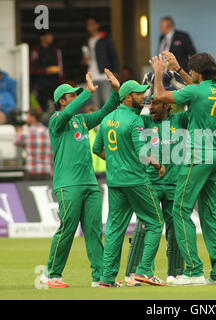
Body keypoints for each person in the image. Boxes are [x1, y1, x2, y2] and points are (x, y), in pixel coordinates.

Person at [150, 52, 216, 286]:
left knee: (180, 210)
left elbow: (160, 95)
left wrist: (159, 73)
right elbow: (197, 89)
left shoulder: (196, 90)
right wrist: (178, 70)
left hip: (197, 156)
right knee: (209, 214)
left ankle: (194, 271)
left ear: (196, 73)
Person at [39, 69, 120, 288]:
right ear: (62, 101)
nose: (76, 97)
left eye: (77, 94)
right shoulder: (57, 120)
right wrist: (87, 93)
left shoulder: (82, 120)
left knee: (94, 231)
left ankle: (101, 276)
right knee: (67, 228)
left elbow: (105, 112)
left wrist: (115, 91)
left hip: (90, 183)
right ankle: (51, 274)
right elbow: (66, 114)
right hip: (68, 184)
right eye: (72, 95)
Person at [93, 80, 167, 287]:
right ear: (126, 96)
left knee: (115, 229)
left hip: (115, 180)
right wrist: (158, 165)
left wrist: (117, 160)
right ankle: (143, 271)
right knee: (154, 223)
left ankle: (107, 278)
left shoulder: (107, 119)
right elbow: (142, 151)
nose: (144, 96)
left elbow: (97, 148)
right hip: (135, 179)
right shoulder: (135, 121)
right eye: (139, 93)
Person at [124, 96, 188, 286]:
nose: (151, 107)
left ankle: (175, 273)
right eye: (150, 103)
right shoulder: (143, 121)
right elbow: (130, 112)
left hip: (174, 184)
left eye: (156, 103)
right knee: (144, 226)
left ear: (168, 106)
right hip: (149, 183)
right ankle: (133, 272)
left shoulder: (179, 120)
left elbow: (195, 102)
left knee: (175, 228)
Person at [82, 16, 120, 108]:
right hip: (92, 74)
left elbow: (114, 55)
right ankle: (98, 122)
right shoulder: (86, 40)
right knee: (95, 103)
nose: (90, 26)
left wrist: (115, 71)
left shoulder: (104, 38)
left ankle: (110, 121)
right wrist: (84, 61)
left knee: (107, 100)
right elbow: (84, 59)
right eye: (88, 24)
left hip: (104, 74)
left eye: (92, 24)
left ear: (97, 25)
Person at [30, 30, 64, 113]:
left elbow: (61, 70)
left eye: (52, 36)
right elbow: (31, 69)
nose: (51, 38)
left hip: (54, 83)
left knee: (57, 106)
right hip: (41, 85)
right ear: (42, 38)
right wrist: (45, 71)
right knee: (43, 108)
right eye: (49, 36)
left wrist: (62, 84)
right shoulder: (36, 51)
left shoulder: (56, 51)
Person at [14, 109, 52, 180]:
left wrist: (18, 130)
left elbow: (16, 141)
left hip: (31, 170)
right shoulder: (48, 132)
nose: (26, 119)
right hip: (46, 170)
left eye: (28, 116)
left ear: (33, 117)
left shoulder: (26, 132)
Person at [84, 105, 106, 178]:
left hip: (105, 171)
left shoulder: (104, 128)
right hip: (90, 172)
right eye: (88, 116)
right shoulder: (83, 132)